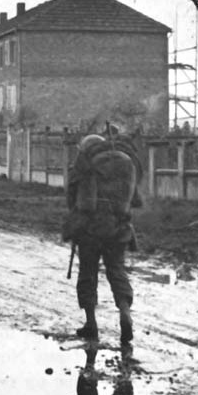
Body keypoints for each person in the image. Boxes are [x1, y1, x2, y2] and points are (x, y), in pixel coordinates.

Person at [63, 134, 142, 345]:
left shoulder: (85, 164)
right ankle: (125, 313)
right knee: (117, 270)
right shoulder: (125, 163)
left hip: (91, 229)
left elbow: (72, 198)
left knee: (88, 272)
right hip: (120, 228)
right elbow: (135, 199)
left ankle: (91, 323)